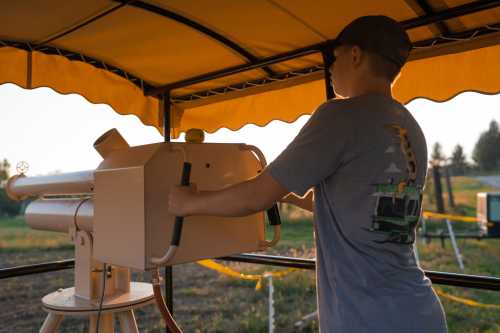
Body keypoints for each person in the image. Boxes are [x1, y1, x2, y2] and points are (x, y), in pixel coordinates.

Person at [168, 15, 448, 333]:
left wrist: (187, 203)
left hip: (367, 318)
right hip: (418, 311)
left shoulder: (339, 116)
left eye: (334, 56)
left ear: (355, 55)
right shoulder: (410, 128)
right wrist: (283, 187)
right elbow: (360, 211)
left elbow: (255, 197)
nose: (329, 66)